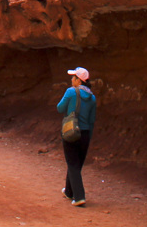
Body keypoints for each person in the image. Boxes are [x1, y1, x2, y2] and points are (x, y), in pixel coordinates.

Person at [57, 67, 97, 207]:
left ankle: (79, 196)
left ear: (78, 80)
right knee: (76, 163)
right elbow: (92, 120)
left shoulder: (71, 92)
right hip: (85, 134)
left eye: (73, 77)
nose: (71, 79)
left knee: (72, 163)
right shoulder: (92, 97)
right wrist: (89, 136)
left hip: (71, 131)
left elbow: (60, 108)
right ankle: (69, 191)